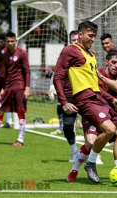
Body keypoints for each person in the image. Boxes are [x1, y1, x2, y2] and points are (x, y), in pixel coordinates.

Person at [53, 21, 117, 183]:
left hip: (99, 99)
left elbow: (96, 86)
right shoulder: (70, 50)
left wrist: (112, 99)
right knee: (108, 130)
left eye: (94, 36)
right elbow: (57, 76)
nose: (93, 39)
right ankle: (91, 163)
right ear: (80, 35)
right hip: (85, 100)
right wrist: (64, 101)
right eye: (90, 35)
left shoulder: (92, 55)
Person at [49, 30, 80, 162]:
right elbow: (57, 73)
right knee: (67, 126)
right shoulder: (66, 54)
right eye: (74, 40)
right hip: (69, 94)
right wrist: (52, 86)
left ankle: (94, 154)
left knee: (93, 124)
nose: (76, 42)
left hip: (86, 94)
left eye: (78, 39)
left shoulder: (89, 54)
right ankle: (74, 150)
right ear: (70, 41)